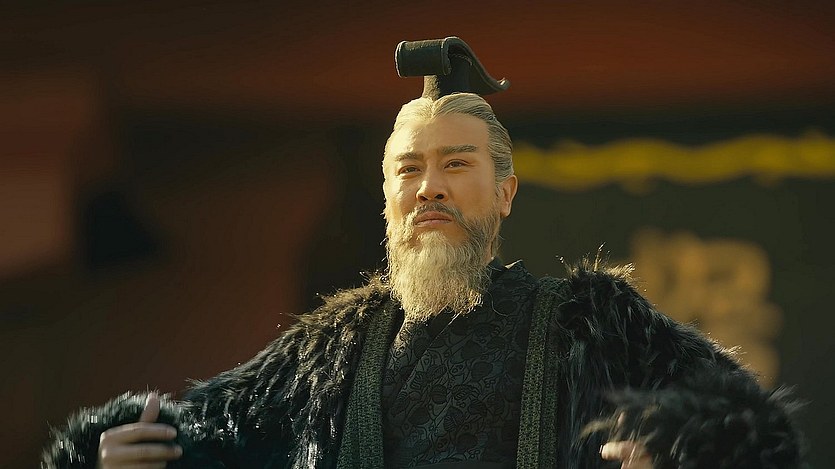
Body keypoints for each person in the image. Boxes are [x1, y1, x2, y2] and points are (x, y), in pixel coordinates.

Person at [43, 39, 804, 469]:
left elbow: (756, 431)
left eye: (456, 164)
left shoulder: (594, 323)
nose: (429, 187)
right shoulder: (329, 351)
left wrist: (681, 452)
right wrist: (99, 456)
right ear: (388, 198)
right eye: (408, 170)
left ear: (504, 192)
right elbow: (203, 434)